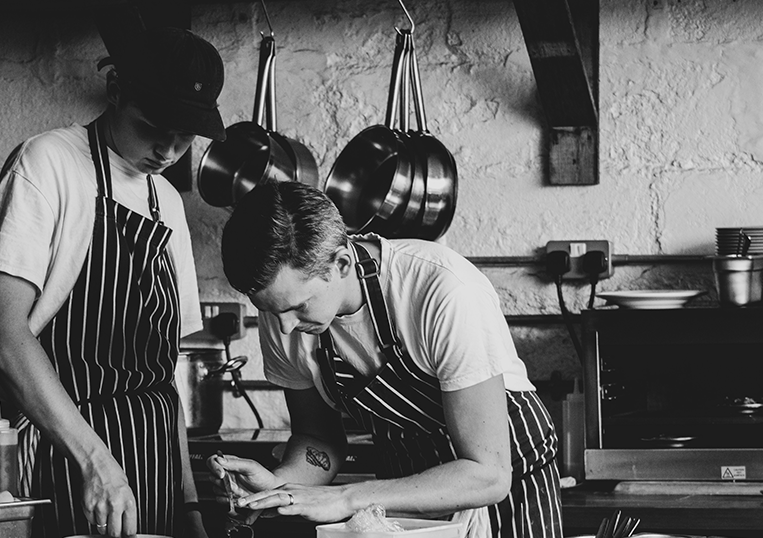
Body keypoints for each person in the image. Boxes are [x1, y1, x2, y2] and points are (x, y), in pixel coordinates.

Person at [0, 25, 226, 538]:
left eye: (184, 135)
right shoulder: (50, 162)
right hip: (70, 463)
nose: (169, 151)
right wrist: (95, 462)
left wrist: (188, 504)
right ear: (115, 93)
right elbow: (1, 330)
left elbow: (163, 375)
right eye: (153, 128)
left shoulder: (166, 203)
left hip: (153, 474)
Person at [210, 181, 563, 538]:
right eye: (270, 310)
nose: (285, 328)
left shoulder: (442, 292)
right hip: (405, 488)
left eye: (299, 306)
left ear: (342, 263)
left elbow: (488, 474)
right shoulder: (285, 314)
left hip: (507, 481)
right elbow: (317, 438)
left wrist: (348, 498)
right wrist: (278, 488)